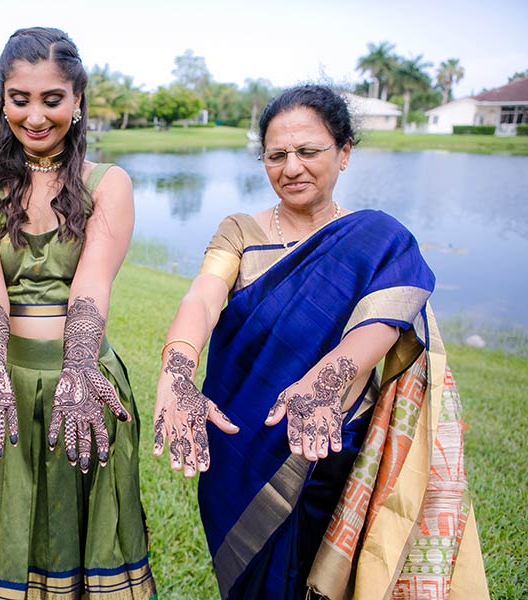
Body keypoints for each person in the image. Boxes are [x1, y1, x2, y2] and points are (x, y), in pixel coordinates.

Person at [152, 84, 488, 599]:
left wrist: (324, 382)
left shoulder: (376, 239)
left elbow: (379, 326)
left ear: (345, 151)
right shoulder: (241, 230)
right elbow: (202, 296)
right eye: (276, 155)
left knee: (327, 579)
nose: (291, 168)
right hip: (242, 451)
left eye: (308, 151)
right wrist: (176, 373)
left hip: (336, 443)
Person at [0, 27, 156, 600]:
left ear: (77, 100)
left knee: (76, 544)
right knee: (8, 531)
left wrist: (78, 370)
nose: (34, 115)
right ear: (2, 101)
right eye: (19, 98)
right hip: (3, 382)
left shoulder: (109, 183)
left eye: (51, 99)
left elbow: (92, 284)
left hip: (85, 384)